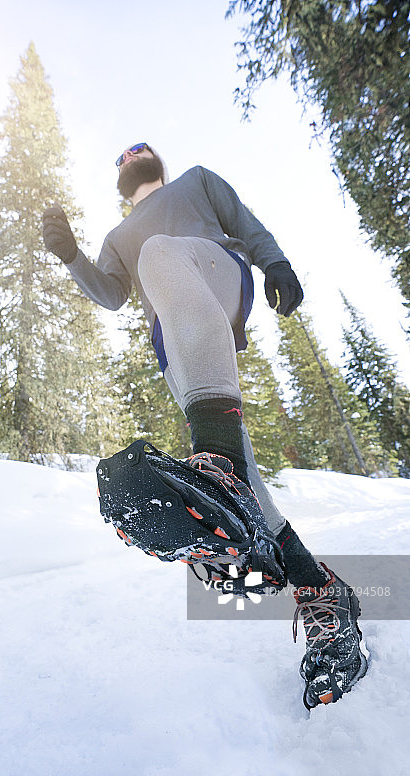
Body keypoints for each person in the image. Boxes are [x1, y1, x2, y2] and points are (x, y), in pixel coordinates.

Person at [42, 142, 368, 709]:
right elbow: (111, 296)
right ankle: (322, 596)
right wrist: (72, 255)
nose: (130, 158)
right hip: (179, 348)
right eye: (121, 157)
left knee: (160, 255)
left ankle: (216, 468)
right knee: (240, 498)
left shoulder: (194, 182)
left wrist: (276, 262)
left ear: (155, 163)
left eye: (138, 151)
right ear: (118, 180)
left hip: (214, 275)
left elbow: (245, 222)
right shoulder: (117, 238)